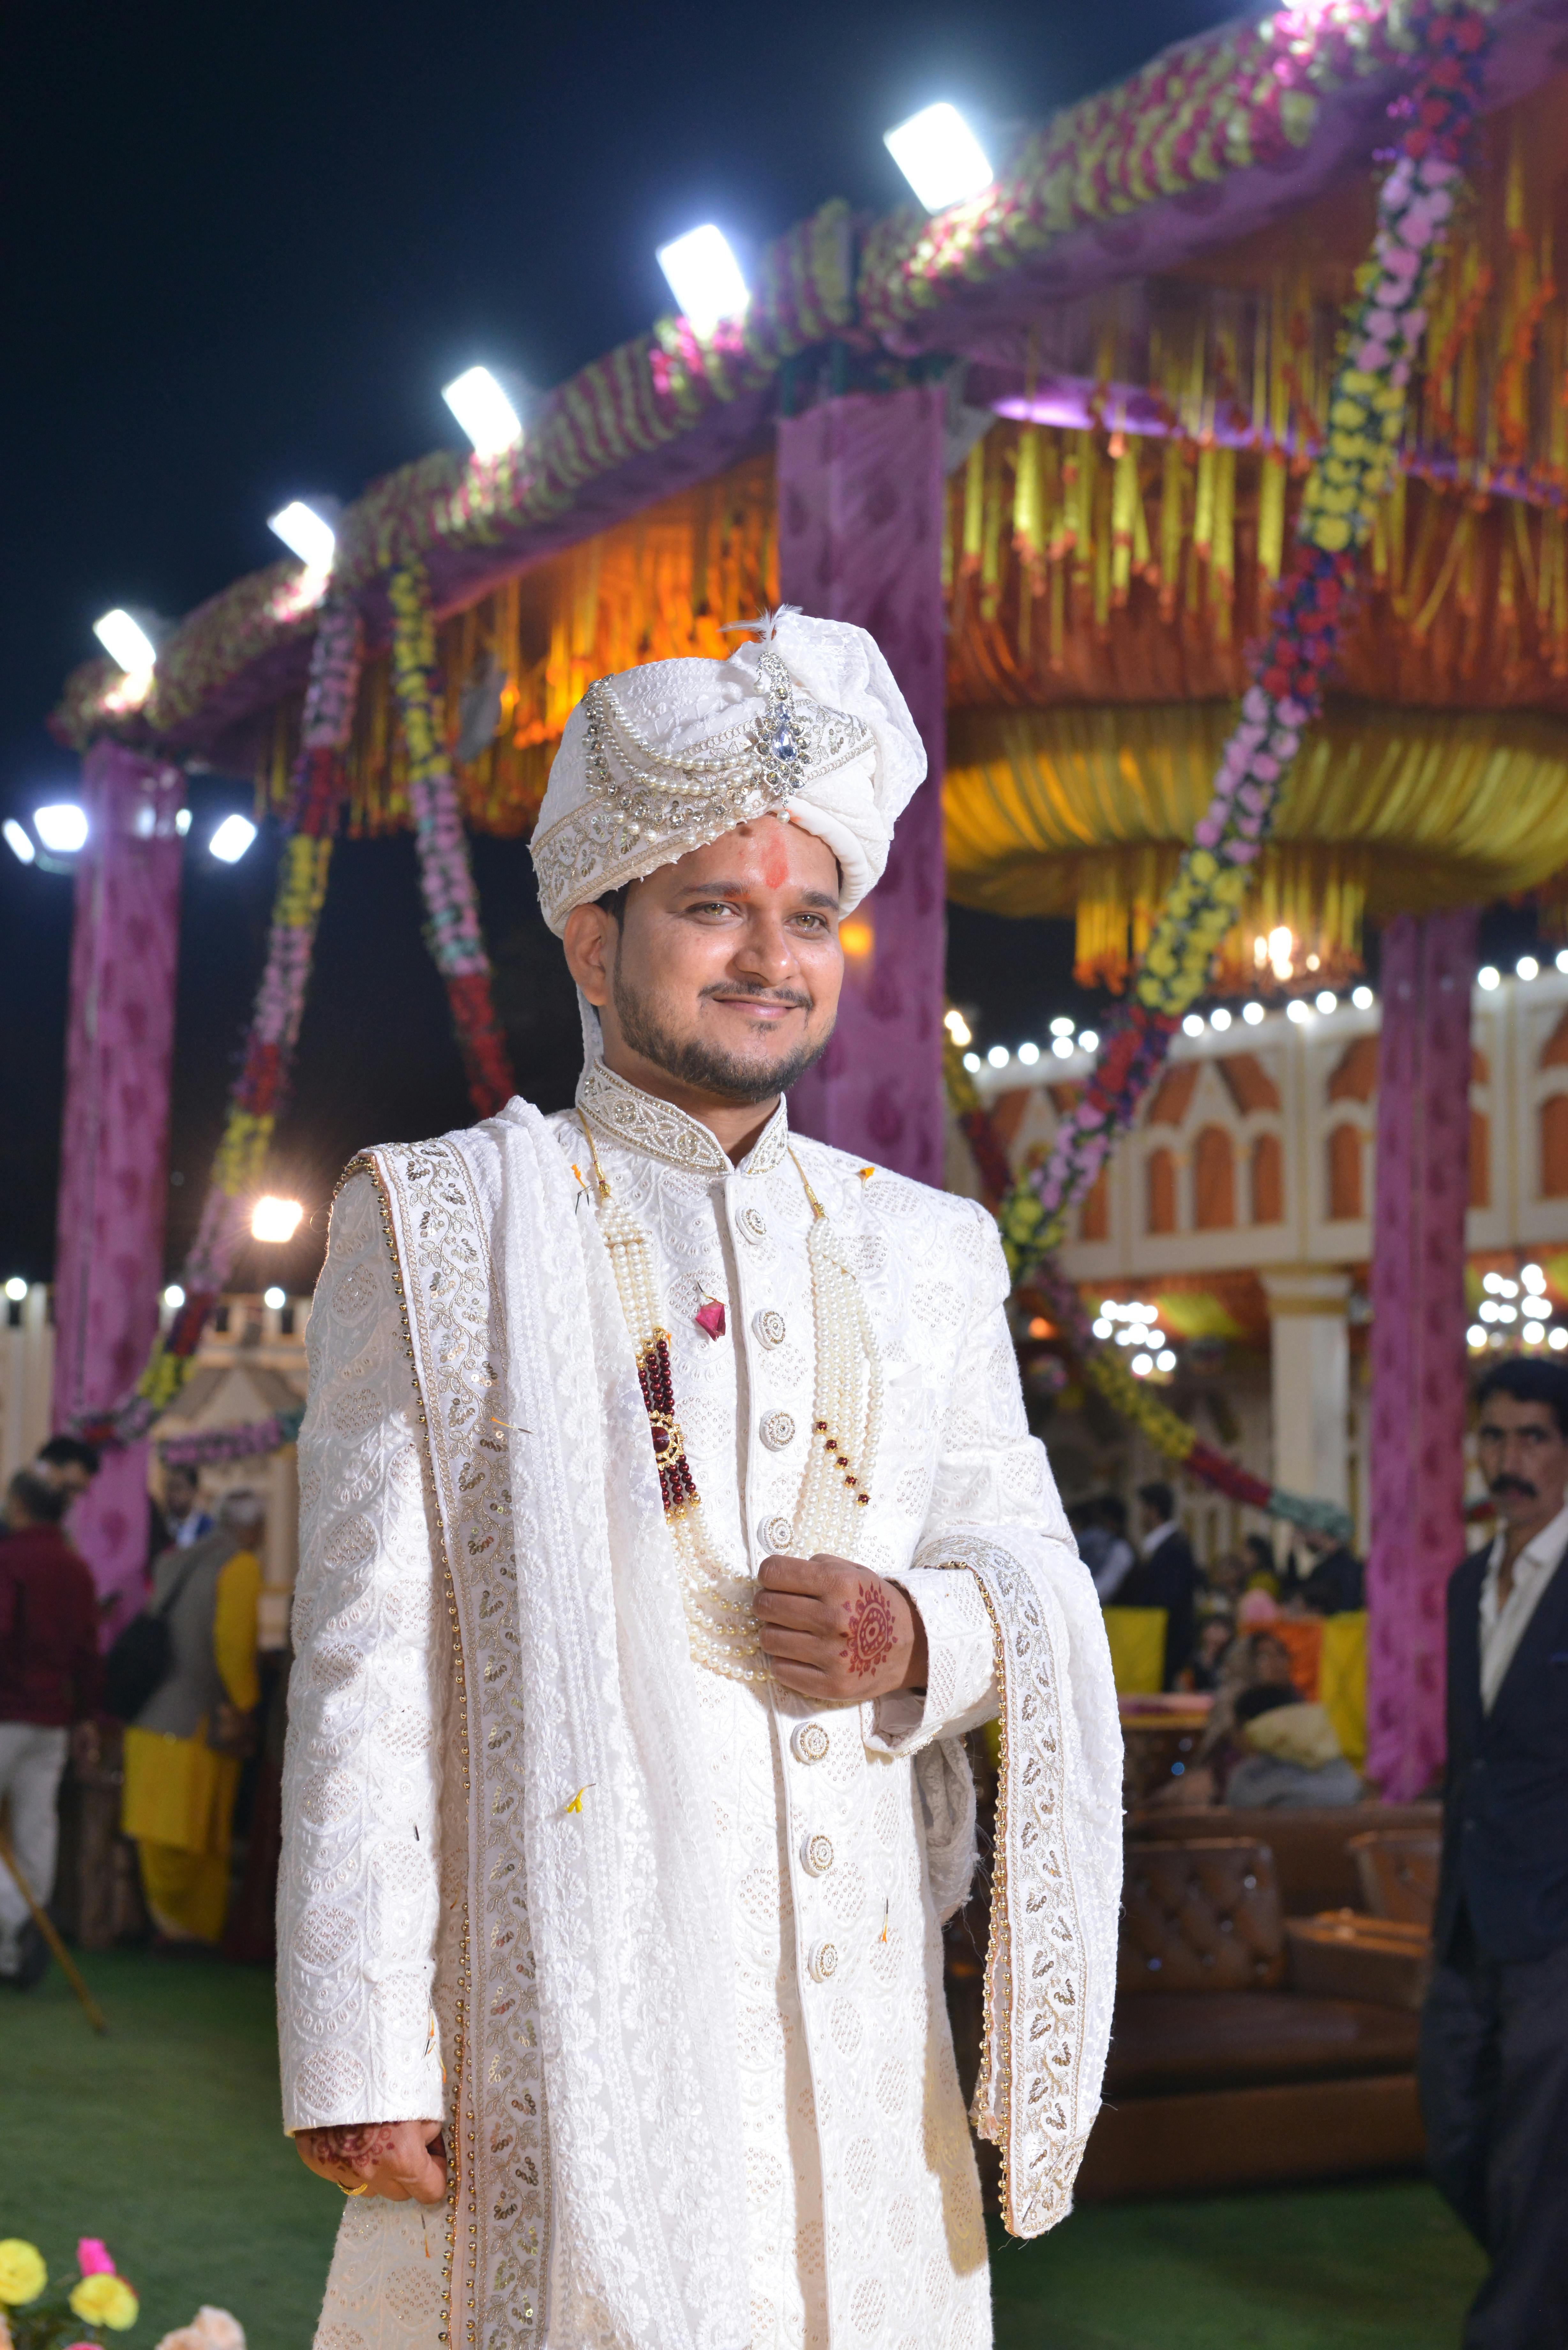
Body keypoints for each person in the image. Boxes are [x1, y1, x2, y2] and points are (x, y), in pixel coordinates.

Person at [278, 611, 1124, 2350]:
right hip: (574, 2007)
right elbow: (364, 1663)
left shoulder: (928, 1248)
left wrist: (920, 1632)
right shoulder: (437, 1223)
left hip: (861, 2021)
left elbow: (1028, 1566)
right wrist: (358, 2045)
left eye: (808, 916)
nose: (771, 956)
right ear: (595, 941)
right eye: (713, 907)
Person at [1420, 1356, 1568, 2348]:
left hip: (1555, 1922)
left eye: (1532, 1437)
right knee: (1454, 2128)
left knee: (1532, 2149)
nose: (1507, 1459)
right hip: (1463, 1915)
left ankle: (1511, 2329)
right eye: (1495, 1436)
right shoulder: (1466, 1582)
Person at [121, 1487, 263, 1949]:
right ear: (256, 1529)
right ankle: (189, 1931)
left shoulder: (175, 1561)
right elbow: (234, 1647)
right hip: (194, 1724)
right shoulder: (239, 1568)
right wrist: (245, 1706)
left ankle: (167, 1925)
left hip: (148, 1719)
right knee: (192, 1836)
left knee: (156, 1835)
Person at [0, 1469, 101, 1986]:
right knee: (36, 1835)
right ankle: (12, 1947)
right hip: (53, 1723)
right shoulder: (77, 1569)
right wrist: (86, 1715)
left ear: (18, 1505)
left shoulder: (9, 1559)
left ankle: (8, 1937)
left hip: (7, 1713)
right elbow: (88, 1651)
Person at [1116, 1479, 1197, 1684]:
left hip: (1165, 1640)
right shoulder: (1165, 1546)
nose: (1141, 1517)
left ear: (1153, 1510)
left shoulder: (1174, 1548)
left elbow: (1168, 1599)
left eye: (1144, 1510)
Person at [1283, 1526, 1364, 1616]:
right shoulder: (1324, 1567)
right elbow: (1295, 1589)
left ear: (1323, 1533)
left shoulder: (1347, 1569)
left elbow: (1346, 1608)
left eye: (1308, 1532)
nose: (1305, 1538)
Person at [1088, 1494, 1137, 1602]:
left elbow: (1105, 1588)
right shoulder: (1103, 1548)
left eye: (1100, 1522)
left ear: (1111, 1522)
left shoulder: (1122, 1551)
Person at [161, 1463, 215, 1549]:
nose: (172, 1494)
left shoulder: (208, 1529)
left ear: (194, 1491)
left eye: (178, 1488)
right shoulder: (161, 1526)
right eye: (169, 1488)